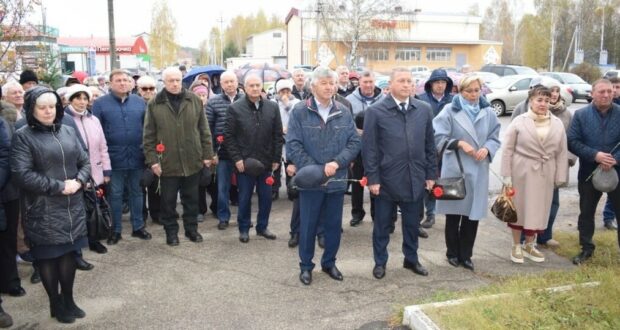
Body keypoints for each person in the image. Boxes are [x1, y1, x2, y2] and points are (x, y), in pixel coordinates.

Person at [11, 86, 91, 324]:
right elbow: (21, 174)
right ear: (31, 109)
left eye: (52, 107)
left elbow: (84, 160)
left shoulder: (67, 130)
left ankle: (69, 299)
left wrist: (79, 181)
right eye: (42, 107)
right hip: (42, 208)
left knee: (69, 255)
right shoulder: (23, 135)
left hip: (72, 207)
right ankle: (55, 303)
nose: (48, 112)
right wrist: (58, 186)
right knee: (48, 259)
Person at [286, 67, 361, 285]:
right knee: (308, 225)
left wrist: (337, 163)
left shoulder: (344, 111)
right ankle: (306, 266)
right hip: (311, 180)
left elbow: (354, 142)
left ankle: (329, 263)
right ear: (313, 86)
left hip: (337, 178)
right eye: (325, 83)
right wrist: (318, 171)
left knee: (333, 225)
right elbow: (293, 145)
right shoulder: (300, 111)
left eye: (333, 83)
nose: (330, 87)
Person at [363, 67, 437, 279]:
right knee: (382, 226)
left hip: (415, 178)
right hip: (386, 180)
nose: (407, 85)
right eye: (402, 81)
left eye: (410, 81)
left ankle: (411, 259)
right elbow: (369, 149)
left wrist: (431, 174)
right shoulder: (376, 111)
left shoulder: (423, 109)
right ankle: (380, 262)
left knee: (412, 224)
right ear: (391, 85)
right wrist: (373, 178)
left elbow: (430, 144)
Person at [433, 75, 501, 271]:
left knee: (473, 215)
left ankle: (467, 254)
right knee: (453, 214)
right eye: (468, 91)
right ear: (459, 91)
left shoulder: (487, 112)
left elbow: (495, 137)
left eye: (476, 90)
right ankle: (452, 253)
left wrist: (487, 149)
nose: (473, 95)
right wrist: (459, 143)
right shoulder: (449, 110)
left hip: (479, 168)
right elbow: (437, 135)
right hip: (456, 167)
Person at [144, 67, 214, 246]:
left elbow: (204, 130)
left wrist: (207, 154)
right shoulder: (155, 104)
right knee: (167, 203)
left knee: (191, 200)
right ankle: (171, 233)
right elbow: (148, 136)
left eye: (177, 80)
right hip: (167, 162)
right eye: (170, 81)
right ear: (164, 82)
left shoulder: (194, 100)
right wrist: (153, 161)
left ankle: (192, 230)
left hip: (192, 160)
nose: (175, 84)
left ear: (182, 80)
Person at [501, 86, 569, 263]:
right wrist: (506, 175)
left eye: (547, 100)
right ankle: (516, 246)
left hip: (546, 171)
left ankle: (530, 245)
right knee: (520, 209)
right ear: (530, 101)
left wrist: (561, 175)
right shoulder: (519, 121)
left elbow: (562, 151)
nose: (543, 104)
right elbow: (507, 149)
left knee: (538, 210)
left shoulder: (557, 123)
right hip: (521, 171)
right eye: (539, 100)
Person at [92, 69, 152, 245]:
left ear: (131, 83)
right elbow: (97, 132)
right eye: (118, 80)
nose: (122, 83)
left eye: (126, 80)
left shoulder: (140, 102)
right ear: (111, 83)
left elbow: (147, 129)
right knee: (115, 195)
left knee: (137, 192)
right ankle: (115, 230)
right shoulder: (100, 104)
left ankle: (138, 227)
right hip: (113, 158)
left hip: (137, 156)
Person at [224, 74, 283, 243]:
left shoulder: (272, 107)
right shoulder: (235, 108)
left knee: (266, 197)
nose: (255, 88)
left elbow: (277, 135)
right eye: (251, 85)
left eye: (258, 85)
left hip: (266, 163)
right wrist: (237, 159)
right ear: (245, 88)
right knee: (244, 198)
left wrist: (276, 159)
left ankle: (262, 227)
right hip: (245, 163)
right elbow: (229, 137)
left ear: (262, 86)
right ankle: (244, 228)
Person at [568, 79, 620, 265]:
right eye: (601, 92)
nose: (606, 95)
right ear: (592, 93)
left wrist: (614, 159)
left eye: (609, 91)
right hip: (589, 173)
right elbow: (572, 141)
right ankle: (586, 249)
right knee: (586, 213)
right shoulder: (581, 115)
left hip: (617, 171)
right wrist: (595, 155)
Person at [64, 84, 111, 254]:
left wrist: (106, 170)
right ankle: (76, 248)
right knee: (77, 212)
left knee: (94, 208)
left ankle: (94, 239)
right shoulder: (64, 120)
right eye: (78, 98)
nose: (82, 102)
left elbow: (102, 147)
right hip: (74, 175)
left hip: (95, 172)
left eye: (85, 98)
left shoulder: (94, 119)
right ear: (70, 99)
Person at [416, 69, 454, 230]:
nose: (440, 85)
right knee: (427, 180)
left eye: (443, 82)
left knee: (444, 180)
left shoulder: (454, 101)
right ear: (431, 84)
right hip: (426, 146)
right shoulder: (421, 100)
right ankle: (428, 213)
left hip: (447, 146)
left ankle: (449, 212)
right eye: (437, 82)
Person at [346, 71, 384, 228]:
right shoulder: (349, 100)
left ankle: (377, 214)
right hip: (358, 149)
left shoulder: (384, 100)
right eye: (365, 82)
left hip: (378, 149)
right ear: (359, 83)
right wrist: (355, 131)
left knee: (376, 181)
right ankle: (357, 213)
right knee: (357, 182)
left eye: (371, 82)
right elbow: (346, 123)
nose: (368, 85)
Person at [206, 71, 243, 230]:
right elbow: (207, 128)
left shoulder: (246, 100)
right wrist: (212, 152)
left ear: (237, 82)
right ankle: (223, 217)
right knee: (222, 188)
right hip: (223, 154)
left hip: (244, 153)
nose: (229, 84)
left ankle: (244, 217)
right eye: (226, 82)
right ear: (221, 84)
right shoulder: (213, 103)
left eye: (232, 81)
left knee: (244, 188)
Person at [190, 81, 218, 221]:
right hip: (195, 153)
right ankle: (199, 210)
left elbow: (216, 131)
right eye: (198, 95)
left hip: (212, 152)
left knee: (213, 182)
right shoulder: (190, 110)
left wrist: (214, 153)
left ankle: (216, 207)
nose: (201, 97)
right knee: (198, 184)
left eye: (203, 95)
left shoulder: (212, 109)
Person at [273, 78, 300, 201]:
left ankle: (292, 188)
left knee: (291, 164)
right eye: (282, 91)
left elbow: (297, 117)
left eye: (287, 90)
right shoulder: (273, 103)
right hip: (277, 138)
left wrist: (287, 104)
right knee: (276, 164)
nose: (285, 94)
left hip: (292, 138)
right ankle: (274, 189)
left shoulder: (297, 103)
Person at [601, 77, 620, 230]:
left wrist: (615, 159)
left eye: (617, 87)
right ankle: (608, 217)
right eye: (612, 87)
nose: (614, 90)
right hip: (597, 162)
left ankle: (609, 217)